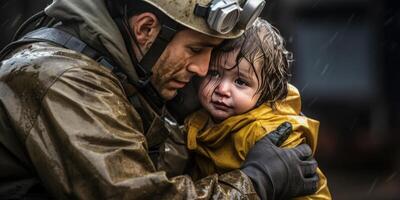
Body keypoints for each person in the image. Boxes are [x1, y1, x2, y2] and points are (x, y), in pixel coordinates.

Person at [0, 0, 318, 199]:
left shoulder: (120, 70)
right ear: (146, 28)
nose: (203, 69)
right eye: (195, 50)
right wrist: (256, 183)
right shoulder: (68, 81)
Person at [185, 19, 331, 200]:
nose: (222, 89)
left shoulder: (267, 133)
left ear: (265, 93)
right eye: (214, 73)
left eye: (240, 82)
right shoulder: (196, 121)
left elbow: (310, 190)